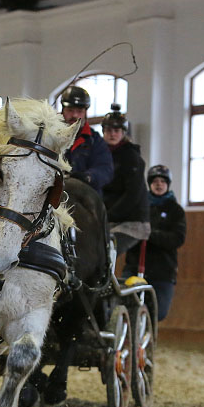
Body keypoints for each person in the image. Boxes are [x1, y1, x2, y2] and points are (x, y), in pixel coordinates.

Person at [124, 164, 186, 322]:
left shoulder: (175, 210)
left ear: (167, 184)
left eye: (162, 181)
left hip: (163, 271)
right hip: (135, 266)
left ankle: (146, 337)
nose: (159, 184)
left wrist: (151, 235)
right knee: (128, 304)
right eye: (155, 181)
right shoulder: (139, 207)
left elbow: (177, 238)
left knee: (158, 311)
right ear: (150, 184)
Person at [100, 103, 149, 257]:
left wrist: (107, 214)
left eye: (116, 130)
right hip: (108, 219)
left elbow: (133, 194)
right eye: (108, 130)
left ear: (123, 133)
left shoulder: (132, 157)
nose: (112, 134)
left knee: (106, 252)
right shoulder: (101, 157)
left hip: (132, 222)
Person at [59, 85, 113, 195]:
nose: (74, 115)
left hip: (84, 196)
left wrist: (88, 177)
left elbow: (105, 169)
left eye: (79, 111)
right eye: (70, 110)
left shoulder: (95, 140)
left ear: (85, 113)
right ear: (62, 111)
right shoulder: (49, 136)